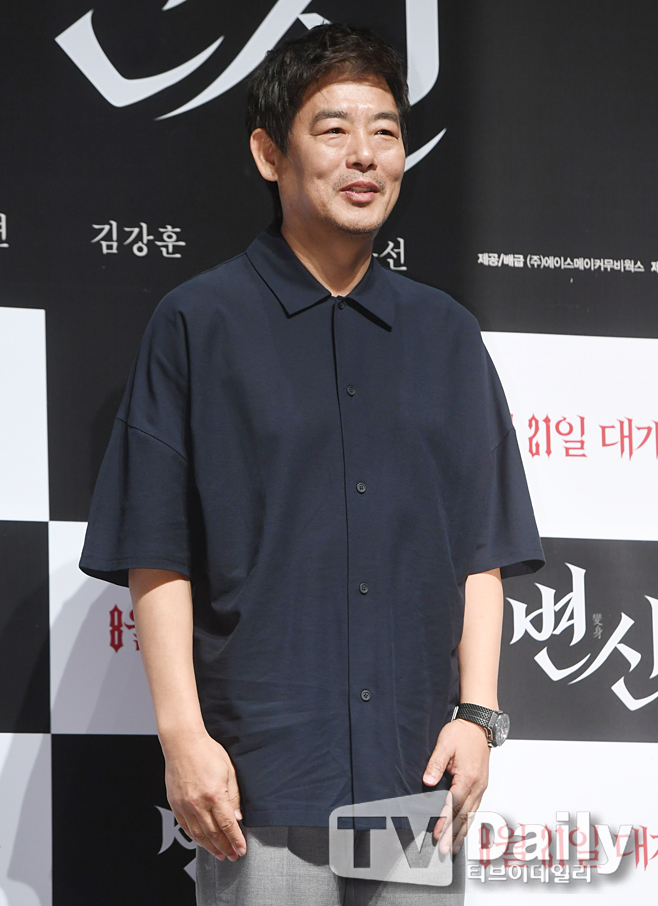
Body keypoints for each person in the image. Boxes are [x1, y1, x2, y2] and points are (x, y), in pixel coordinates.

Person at [80, 23, 544, 906]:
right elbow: (156, 551)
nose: (365, 154)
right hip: (260, 777)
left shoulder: (446, 334)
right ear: (269, 153)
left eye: (386, 130)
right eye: (333, 129)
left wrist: (478, 716)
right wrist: (183, 739)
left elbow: (480, 548)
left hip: (415, 776)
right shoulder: (199, 323)